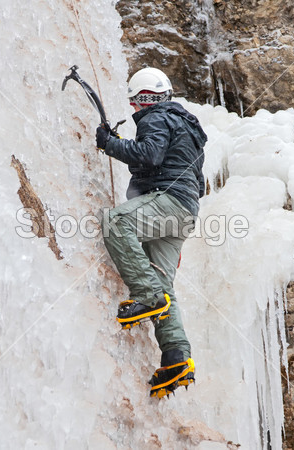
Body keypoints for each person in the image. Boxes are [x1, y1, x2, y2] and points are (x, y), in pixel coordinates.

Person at [96, 67, 207, 398]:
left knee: (117, 222)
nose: (134, 110)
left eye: (135, 103)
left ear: (143, 100)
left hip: (167, 201)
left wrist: (109, 144)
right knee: (162, 281)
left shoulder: (157, 117)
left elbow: (150, 154)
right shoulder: (185, 124)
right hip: (185, 211)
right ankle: (176, 357)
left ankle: (146, 296)